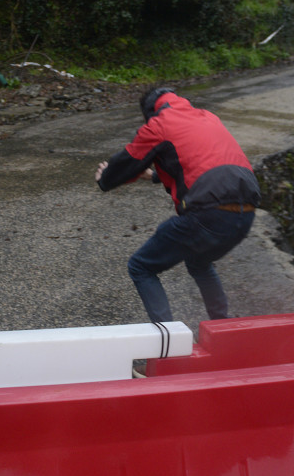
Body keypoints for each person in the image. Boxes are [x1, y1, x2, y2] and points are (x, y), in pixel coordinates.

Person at [95, 87, 260, 323]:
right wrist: (153, 176)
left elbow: (129, 160)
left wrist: (104, 179)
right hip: (245, 214)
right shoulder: (207, 116)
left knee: (141, 266)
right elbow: (199, 160)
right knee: (199, 262)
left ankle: (168, 338)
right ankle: (222, 323)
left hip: (208, 215)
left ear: (148, 113)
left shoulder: (159, 124)